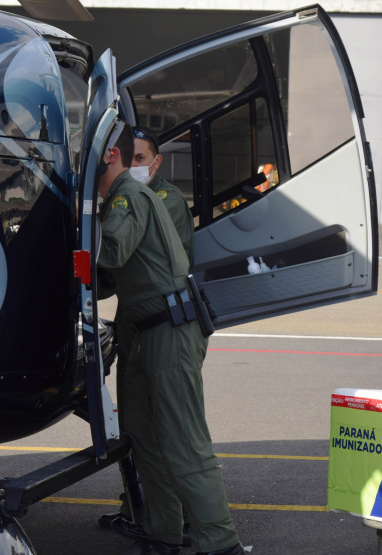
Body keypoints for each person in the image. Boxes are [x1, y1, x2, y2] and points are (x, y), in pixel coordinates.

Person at [95, 124, 244, 555]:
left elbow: (110, 253)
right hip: (143, 331)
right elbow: (108, 279)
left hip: (169, 329)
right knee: (142, 435)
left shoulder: (128, 197)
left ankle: (220, 541)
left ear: (109, 158)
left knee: (181, 438)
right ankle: (164, 531)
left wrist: (66, 236)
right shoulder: (122, 199)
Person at [129, 126, 194, 268]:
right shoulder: (125, 193)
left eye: (139, 158)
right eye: (127, 158)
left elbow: (130, 231)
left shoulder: (170, 197)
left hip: (162, 288)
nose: (132, 165)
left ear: (157, 162)